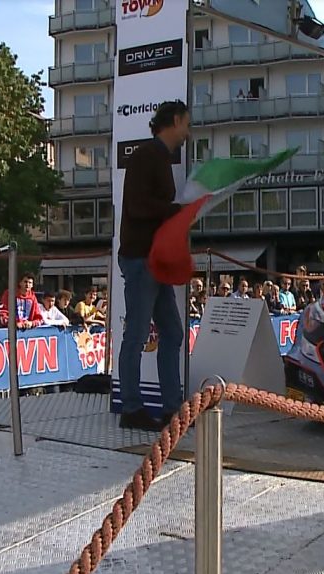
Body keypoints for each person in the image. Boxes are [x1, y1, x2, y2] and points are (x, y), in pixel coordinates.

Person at [117, 100, 190, 431]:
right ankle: (132, 408)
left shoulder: (155, 156)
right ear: (174, 120)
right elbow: (137, 206)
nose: (188, 132)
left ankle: (171, 407)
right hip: (142, 258)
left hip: (153, 258)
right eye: (186, 124)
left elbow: (142, 206)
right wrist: (174, 211)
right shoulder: (147, 156)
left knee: (171, 332)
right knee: (137, 334)